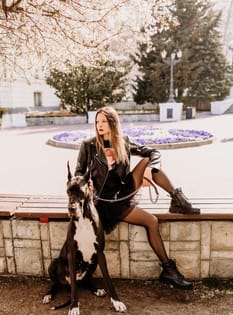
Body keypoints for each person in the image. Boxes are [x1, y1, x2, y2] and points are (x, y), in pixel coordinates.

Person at [75, 106, 200, 289]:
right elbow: (78, 173)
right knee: (152, 221)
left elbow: (153, 152)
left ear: (113, 123)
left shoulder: (123, 142)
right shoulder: (89, 145)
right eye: (97, 121)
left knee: (147, 162)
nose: (99, 125)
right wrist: (86, 185)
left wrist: (149, 171)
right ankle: (168, 270)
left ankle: (178, 200)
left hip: (123, 191)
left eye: (103, 121)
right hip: (105, 202)